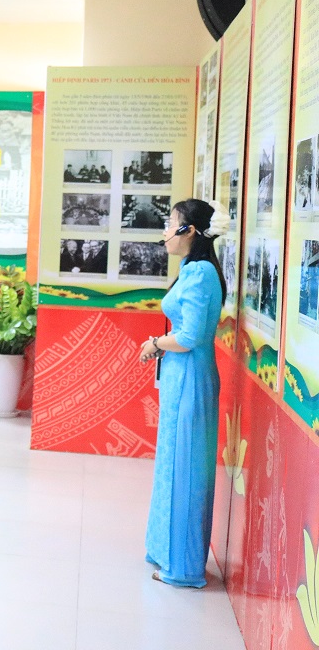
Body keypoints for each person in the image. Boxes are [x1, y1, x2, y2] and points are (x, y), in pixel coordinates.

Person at [138, 199, 227, 589]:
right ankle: (167, 550)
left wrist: (156, 343)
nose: (165, 232)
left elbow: (190, 336)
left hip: (191, 379)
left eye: (170, 223)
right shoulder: (192, 268)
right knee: (172, 464)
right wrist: (161, 346)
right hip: (179, 378)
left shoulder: (202, 273)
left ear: (188, 230)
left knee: (185, 470)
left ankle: (184, 566)